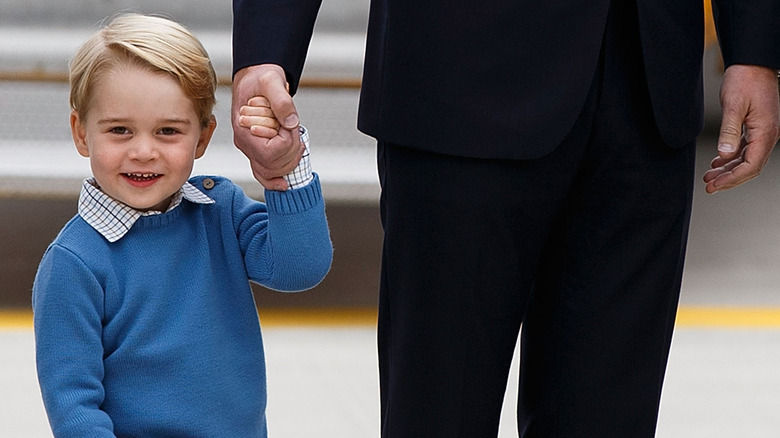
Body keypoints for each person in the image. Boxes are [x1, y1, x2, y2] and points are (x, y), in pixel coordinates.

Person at [231, 0, 780, 436]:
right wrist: (267, 47)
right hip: (457, 80)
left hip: (646, 80)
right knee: (442, 407)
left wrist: (753, 48)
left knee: (609, 413)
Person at [32, 13, 332, 437]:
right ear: (81, 134)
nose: (143, 151)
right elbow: (73, 405)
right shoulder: (74, 263)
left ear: (203, 137)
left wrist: (289, 169)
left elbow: (301, 267)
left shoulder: (220, 209)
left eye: (168, 131)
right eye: (119, 130)